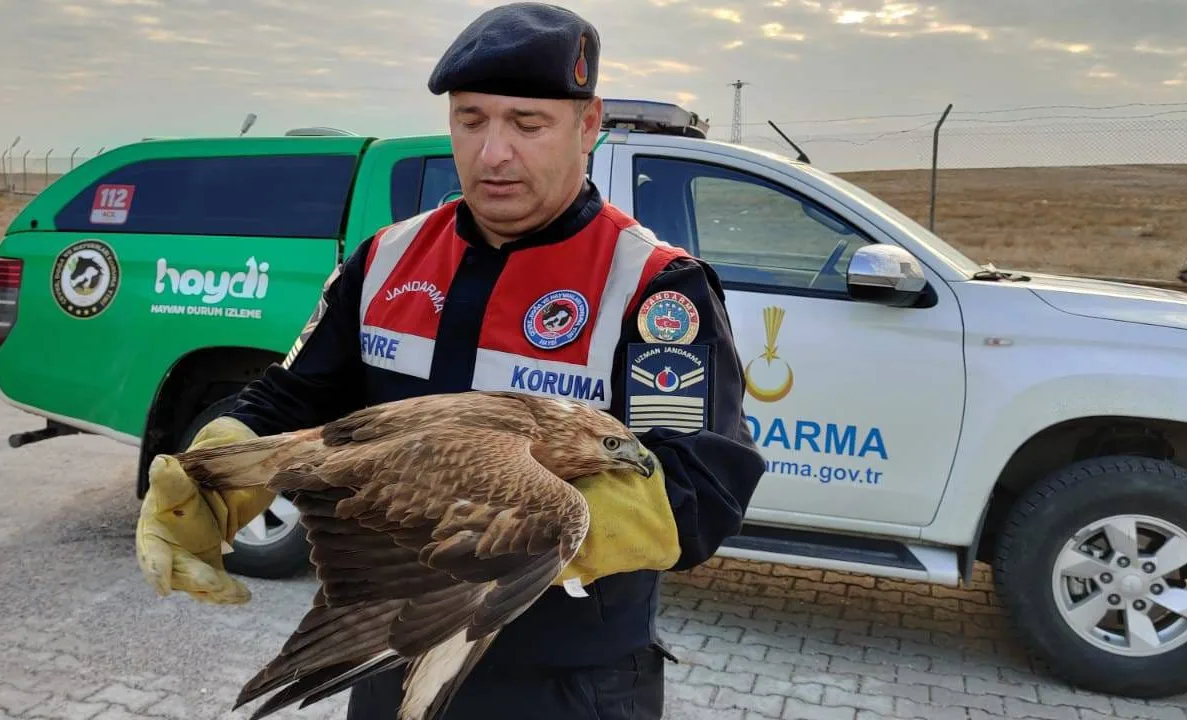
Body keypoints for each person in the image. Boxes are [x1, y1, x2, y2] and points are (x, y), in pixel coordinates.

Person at [134, 3, 766, 718]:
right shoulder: (383, 259)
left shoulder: (654, 288)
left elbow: (699, 490)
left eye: (527, 124)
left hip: (565, 682)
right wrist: (213, 478)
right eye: (471, 120)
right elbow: (290, 401)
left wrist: (510, 536)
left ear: (587, 126)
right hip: (395, 647)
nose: (493, 152)